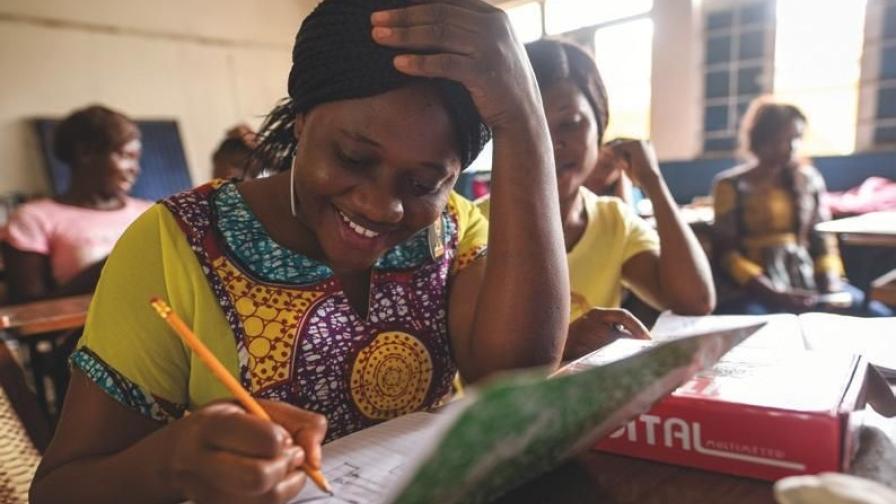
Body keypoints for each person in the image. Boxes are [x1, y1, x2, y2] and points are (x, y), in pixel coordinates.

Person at [30, 1, 570, 503]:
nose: (382, 207)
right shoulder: (178, 243)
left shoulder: (450, 227)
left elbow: (516, 375)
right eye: (354, 157)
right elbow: (57, 490)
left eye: (424, 182)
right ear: (302, 119)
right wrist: (172, 462)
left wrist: (523, 118)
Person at [477, 39, 715, 359]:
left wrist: (653, 182)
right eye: (533, 127)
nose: (552, 144)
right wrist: (561, 348)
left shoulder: (612, 221)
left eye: (571, 123)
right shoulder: (475, 226)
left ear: (599, 125)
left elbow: (695, 301)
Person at [712, 97, 890, 316]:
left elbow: (823, 242)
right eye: (783, 139)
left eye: (796, 138)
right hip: (753, 289)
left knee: (877, 315)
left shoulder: (808, 180)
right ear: (761, 139)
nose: (792, 147)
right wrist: (773, 293)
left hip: (808, 283)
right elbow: (726, 254)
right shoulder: (730, 185)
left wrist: (831, 284)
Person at [1, 105, 151, 304]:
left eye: (136, 159)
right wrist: (111, 266)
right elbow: (27, 311)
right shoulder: (33, 219)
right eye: (125, 156)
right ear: (85, 153)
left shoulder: (150, 213)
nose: (135, 169)